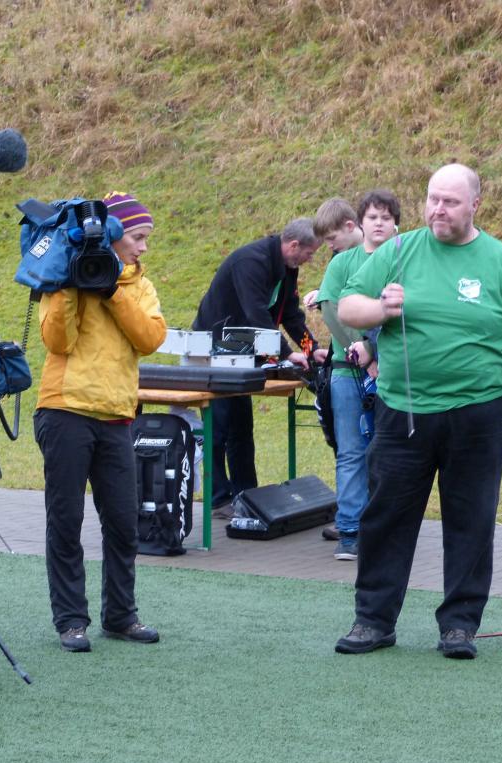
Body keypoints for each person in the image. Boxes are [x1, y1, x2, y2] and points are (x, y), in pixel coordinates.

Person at [334, 163, 502, 660]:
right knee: (386, 519)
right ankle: (373, 621)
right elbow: (347, 306)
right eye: (432, 199)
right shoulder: (398, 250)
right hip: (402, 412)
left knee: (471, 521)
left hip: (478, 416)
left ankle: (459, 626)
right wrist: (381, 310)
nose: (437, 209)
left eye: (450, 201)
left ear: (475, 204)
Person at [33, 191, 167, 652]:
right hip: (64, 409)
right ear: (113, 234)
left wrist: (111, 290)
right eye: (138, 237)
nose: (143, 247)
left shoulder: (139, 285)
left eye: (146, 238)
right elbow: (57, 341)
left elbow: (150, 337)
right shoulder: (63, 272)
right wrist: (71, 284)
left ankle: (120, 616)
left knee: (124, 522)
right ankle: (71, 620)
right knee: (66, 520)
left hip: (116, 415)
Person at [191, 218, 327, 518]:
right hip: (213, 348)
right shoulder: (251, 262)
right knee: (219, 426)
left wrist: (311, 348)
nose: (310, 259)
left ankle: (247, 496)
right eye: (310, 253)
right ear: (294, 245)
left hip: (241, 351)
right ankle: (219, 498)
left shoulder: (288, 267)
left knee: (241, 427)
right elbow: (256, 313)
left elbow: (291, 315)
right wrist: (286, 353)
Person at [311, 192, 401, 559]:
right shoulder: (342, 263)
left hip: (394, 374)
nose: (379, 223)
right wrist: (362, 354)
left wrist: (375, 351)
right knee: (351, 453)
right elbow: (332, 311)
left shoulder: (406, 258)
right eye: (373, 217)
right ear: (360, 223)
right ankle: (350, 530)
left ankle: (385, 530)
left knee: (389, 454)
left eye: (386, 217)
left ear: (396, 223)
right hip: (348, 373)